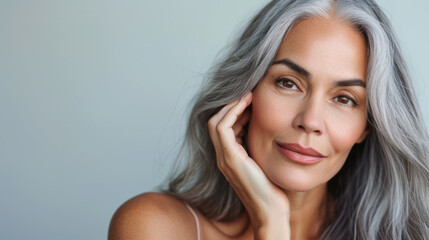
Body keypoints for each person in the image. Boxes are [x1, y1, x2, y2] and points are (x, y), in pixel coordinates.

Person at [108, 0, 429, 239]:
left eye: (344, 99)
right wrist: (271, 222)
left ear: (366, 126)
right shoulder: (156, 227)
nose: (310, 120)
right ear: (245, 93)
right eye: (288, 83)